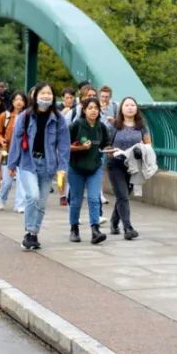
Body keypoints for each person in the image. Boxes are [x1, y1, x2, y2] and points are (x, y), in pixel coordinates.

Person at [6, 82, 70, 251]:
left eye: (49, 93)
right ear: (35, 96)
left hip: (48, 165)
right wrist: (11, 164)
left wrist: (62, 167)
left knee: (41, 203)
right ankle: (29, 231)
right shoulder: (25, 116)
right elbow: (16, 141)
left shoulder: (59, 119)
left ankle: (33, 234)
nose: (46, 96)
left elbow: (64, 145)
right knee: (33, 196)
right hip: (28, 162)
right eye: (42, 93)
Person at [106, 96, 151, 240]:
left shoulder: (141, 126)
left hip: (134, 166)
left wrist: (141, 150)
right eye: (126, 105)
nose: (130, 108)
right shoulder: (114, 125)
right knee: (123, 196)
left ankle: (114, 222)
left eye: (132, 105)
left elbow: (148, 146)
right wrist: (112, 151)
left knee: (123, 196)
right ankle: (128, 228)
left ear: (136, 108)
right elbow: (106, 145)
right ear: (121, 109)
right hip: (116, 164)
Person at [68, 97, 110, 244]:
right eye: (90, 108)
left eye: (96, 108)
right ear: (84, 110)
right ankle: (74, 229)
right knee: (76, 200)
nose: (93, 111)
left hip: (95, 167)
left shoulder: (101, 127)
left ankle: (95, 230)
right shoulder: (76, 125)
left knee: (94, 198)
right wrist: (81, 147)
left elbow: (105, 145)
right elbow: (65, 146)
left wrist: (109, 150)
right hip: (76, 168)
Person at [0, 91, 29, 213]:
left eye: (21, 100)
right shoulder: (5, 116)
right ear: (12, 102)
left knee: (21, 180)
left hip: (23, 152)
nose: (19, 102)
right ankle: (2, 197)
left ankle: (20, 204)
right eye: (16, 100)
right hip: (8, 152)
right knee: (7, 181)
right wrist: (1, 139)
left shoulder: (28, 116)